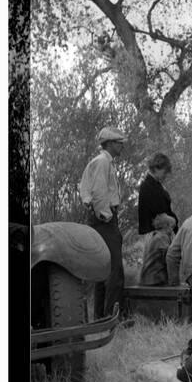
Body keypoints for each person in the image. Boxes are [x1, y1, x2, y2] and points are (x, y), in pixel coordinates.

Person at [79, 126, 126, 319]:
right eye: (119, 143)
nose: (121, 147)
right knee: (115, 270)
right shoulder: (102, 162)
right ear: (110, 143)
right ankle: (113, 317)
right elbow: (98, 192)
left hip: (101, 219)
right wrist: (105, 215)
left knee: (102, 269)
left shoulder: (103, 162)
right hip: (104, 220)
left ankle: (100, 316)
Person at [138, 153, 178, 236]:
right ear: (156, 168)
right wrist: (173, 220)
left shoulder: (156, 185)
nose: (166, 175)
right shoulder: (149, 186)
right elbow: (160, 215)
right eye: (165, 171)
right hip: (156, 235)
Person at [138, 213, 176, 285]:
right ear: (166, 225)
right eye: (172, 227)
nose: (172, 231)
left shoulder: (151, 236)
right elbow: (170, 258)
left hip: (145, 279)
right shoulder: (162, 237)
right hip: (156, 279)